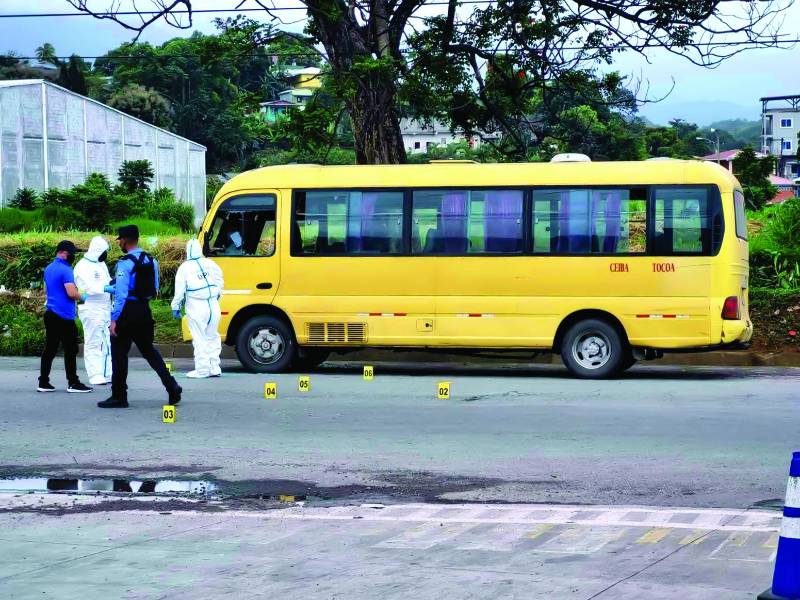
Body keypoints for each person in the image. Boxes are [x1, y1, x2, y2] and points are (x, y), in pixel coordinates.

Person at [98, 225, 182, 409]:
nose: (118, 242)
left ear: (126, 241)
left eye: (119, 239)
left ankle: (119, 396)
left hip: (128, 312)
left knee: (119, 354)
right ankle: (172, 386)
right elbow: (155, 287)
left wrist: (114, 319)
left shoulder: (124, 263)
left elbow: (120, 295)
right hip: (144, 310)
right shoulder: (152, 260)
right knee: (149, 351)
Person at [38, 240, 92, 394]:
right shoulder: (66, 269)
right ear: (63, 252)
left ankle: (43, 382)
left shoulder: (48, 268)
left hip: (50, 313)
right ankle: (73, 383)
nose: (73, 256)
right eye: (71, 253)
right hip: (63, 316)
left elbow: (47, 290)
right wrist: (83, 295)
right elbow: (71, 293)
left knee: (50, 349)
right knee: (71, 349)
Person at [171, 239, 224, 378]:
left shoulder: (185, 267)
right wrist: (217, 295)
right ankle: (214, 367)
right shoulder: (210, 263)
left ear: (187, 251)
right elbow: (220, 280)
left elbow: (179, 290)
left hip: (196, 305)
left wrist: (175, 306)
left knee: (200, 338)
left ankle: (202, 370)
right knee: (213, 336)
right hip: (213, 304)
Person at [73, 236, 112, 385]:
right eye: (103, 251)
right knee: (93, 341)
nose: (105, 254)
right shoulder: (82, 266)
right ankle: (95, 374)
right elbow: (86, 287)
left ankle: (108, 372)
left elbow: (107, 281)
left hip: (105, 306)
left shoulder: (101, 265)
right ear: (97, 251)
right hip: (91, 307)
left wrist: (113, 285)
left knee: (107, 341)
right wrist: (104, 288)